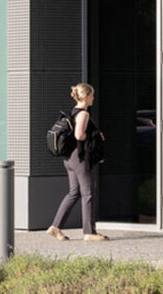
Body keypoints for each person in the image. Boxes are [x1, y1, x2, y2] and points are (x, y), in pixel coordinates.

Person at [47, 83, 106, 242]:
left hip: (69, 159)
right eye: (92, 95)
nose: (94, 98)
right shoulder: (83, 114)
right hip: (80, 159)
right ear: (86, 96)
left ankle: (55, 227)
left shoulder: (72, 112)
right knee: (88, 194)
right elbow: (79, 135)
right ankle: (89, 232)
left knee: (74, 193)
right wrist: (94, 136)